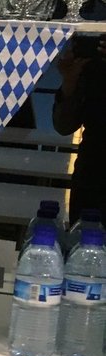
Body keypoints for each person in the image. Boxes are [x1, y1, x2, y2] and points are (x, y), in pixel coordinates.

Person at [51, 35, 106, 222]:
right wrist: (69, 81)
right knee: (82, 245)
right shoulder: (94, 67)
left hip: (91, 171)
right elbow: (64, 126)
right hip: (92, 173)